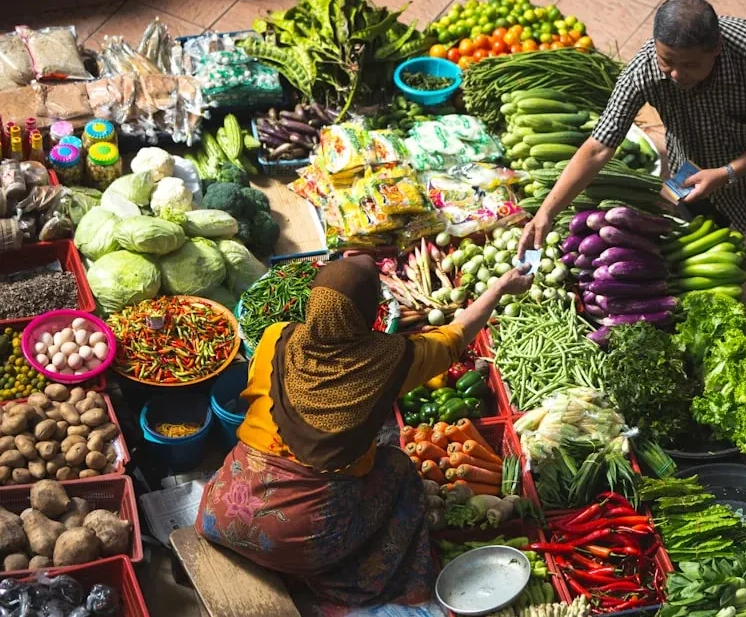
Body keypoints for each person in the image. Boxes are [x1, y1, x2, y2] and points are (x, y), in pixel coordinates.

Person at [195, 255, 532, 606]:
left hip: (221, 515)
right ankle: (357, 579)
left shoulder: (275, 337)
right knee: (397, 466)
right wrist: (499, 288)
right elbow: (453, 338)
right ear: (370, 313)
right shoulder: (390, 359)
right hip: (304, 546)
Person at [518, 0, 746, 350]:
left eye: (689, 65)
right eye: (667, 61)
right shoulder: (645, 68)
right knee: (702, 239)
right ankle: (720, 320)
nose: (675, 74)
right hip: (694, 170)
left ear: (716, 49)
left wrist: (726, 172)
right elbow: (598, 146)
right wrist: (546, 212)